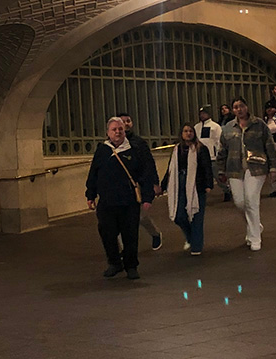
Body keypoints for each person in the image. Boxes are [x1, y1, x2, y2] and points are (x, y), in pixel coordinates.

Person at [85, 117, 157, 280]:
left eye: (120, 129)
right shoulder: (102, 151)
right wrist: (90, 194)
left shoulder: (134, 149)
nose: (117, 132)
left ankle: (131, 266)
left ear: (124, 131)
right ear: (108, 133)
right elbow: (93, 173)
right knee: (107, 233)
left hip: (128, 201)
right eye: (114, 129)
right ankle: (114, 263)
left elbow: (145, 175)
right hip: (107, 202)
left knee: (130, 235)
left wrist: (147, 197)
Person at [216, 98, 276, 251]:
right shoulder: (228, 128)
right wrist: (220, 170)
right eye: (236, 107)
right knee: (239, 202)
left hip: (256, 168)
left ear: (247, 107)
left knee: (251, 200)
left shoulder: (259, 125)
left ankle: (255, 237)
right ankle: (255, 225)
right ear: (233, 110)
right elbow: (222, 150)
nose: (239, 109)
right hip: (234, 169)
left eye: (241, 106)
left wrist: (273, 168)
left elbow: (269, 146)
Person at [163, 124, 213, 255]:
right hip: (179, 183)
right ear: (181, 134)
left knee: (197, 216)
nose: (188, 133)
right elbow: (170, 169)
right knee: (178, 215)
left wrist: (208, 184)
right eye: (185, 131)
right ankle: (191, 237)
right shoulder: (176, 150)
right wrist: (163, 186)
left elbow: (207, 168)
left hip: (197, 185)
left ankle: (197, 246)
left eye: (191, 131)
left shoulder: (201, 149)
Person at [118, 113, 163, 251]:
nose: (126, 124)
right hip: (120, 186)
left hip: (138, 185)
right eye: (122, 121)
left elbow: (149, 163)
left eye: (128, 121)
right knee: (119, 220)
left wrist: (154, 183)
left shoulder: (139, 143)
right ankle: (124, 249)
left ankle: (155, 233)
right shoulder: (111, 144)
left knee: (141, 216)